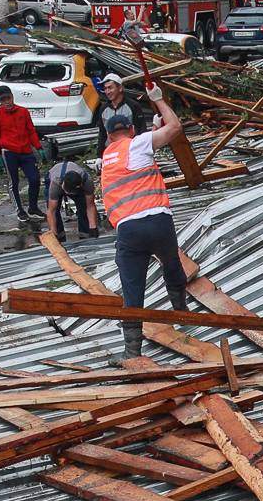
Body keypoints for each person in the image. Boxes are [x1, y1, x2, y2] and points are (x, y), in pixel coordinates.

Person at [99, 84, 188, 358]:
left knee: (132, 288)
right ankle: (183, 317)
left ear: (108, 135)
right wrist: (159, 101)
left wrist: (153, 129)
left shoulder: (106, 158)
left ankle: (131, 351)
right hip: (159, 222)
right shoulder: (137, 143)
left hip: (129, 231)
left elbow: (138, 157)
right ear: (132, 130)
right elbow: (175, 128)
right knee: (172, 264)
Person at [0, 85, 44, 227]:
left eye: (9, 98)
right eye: (4, 99)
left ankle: (33, 207)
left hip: (25, 150)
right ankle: (20, 210)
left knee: (35, 179)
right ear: (0, 101)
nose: (7, 102)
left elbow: (31, 130)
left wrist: (38, 147)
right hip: (9, 152)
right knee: (14, 183)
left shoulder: (23, 112)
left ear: (12, 96)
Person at [91, 72, 150, 154]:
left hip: (131, 150)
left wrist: (142, 150)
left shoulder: (133, 106)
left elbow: (141, 129)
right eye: (105, 89)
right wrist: (99, 156)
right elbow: (102, 133)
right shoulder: (103, 109)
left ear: (120, 88)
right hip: (111, 151)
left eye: (110, 88)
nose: (107, 92)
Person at [45, 154, 97, 240]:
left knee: (83, 206)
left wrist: (93, 227)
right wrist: (53, 233)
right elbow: (51, 211)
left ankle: (85, 235)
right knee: (55, 210)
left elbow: (90, 206)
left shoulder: (87, 181)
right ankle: (59, 236)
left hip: (77, 183)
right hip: (56, 178)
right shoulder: (56, 183)